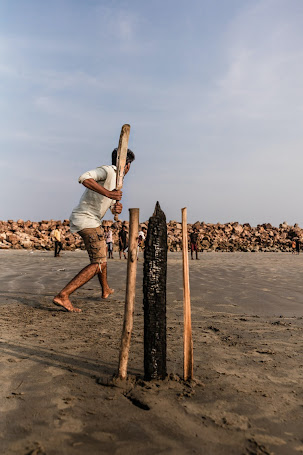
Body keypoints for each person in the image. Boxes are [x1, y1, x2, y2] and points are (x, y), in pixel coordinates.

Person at [53, 148, 135, 312]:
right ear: (125, 165)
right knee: (99, 262)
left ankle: (105, 289)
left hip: (92, 220)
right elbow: (84, 178)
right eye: (129, 165)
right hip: (86, 219)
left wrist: (115, 207)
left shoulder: (116, 182)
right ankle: (63, 295)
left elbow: (110, 205)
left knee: (101, 255)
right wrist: (109, 194)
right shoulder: (108, 170)